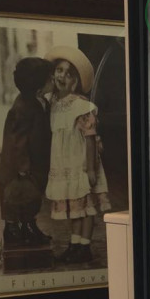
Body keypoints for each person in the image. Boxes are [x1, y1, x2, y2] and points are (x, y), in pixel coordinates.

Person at [44, 45, 111, 263]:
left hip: (81, 163)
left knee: (86, 207)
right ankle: (74, 245)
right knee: (74, 208)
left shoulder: (81, 106)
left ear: (75, 81)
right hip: (64, 164)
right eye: (59, 70)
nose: (62, 76)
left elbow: (90, 139)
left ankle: (85, 246)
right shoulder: (53, 103)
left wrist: (90, 168)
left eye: (69, 74)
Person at [0, 57, 53, 246]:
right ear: (38, 87)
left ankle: (29, 226)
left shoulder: (39, 101)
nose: (53, 80)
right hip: (20, 165)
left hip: (34, 161)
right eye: (49, 78)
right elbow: (17, 140)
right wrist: (23, 167)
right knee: (16, 196)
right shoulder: (22, 108)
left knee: (31, 197)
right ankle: (12, 230)